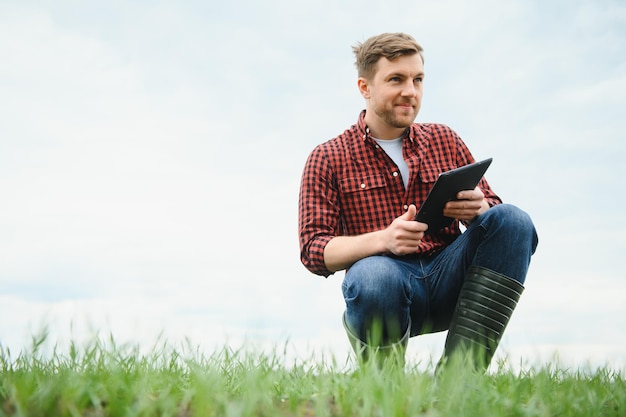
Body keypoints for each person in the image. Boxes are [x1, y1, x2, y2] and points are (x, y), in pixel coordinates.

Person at [298, 32, 538, 371]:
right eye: (396, 79)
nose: (410, 91)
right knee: (374, 276)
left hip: (451, 277)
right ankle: (384, 384)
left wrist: (479, 207)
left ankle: (460, 379)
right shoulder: (328, 157)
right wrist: (383, 239)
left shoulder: (444, 139)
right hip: (383, 288)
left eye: (418, 79)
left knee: (514, 220)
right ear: (364, 87)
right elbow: (313, 250)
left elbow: (497, 219)